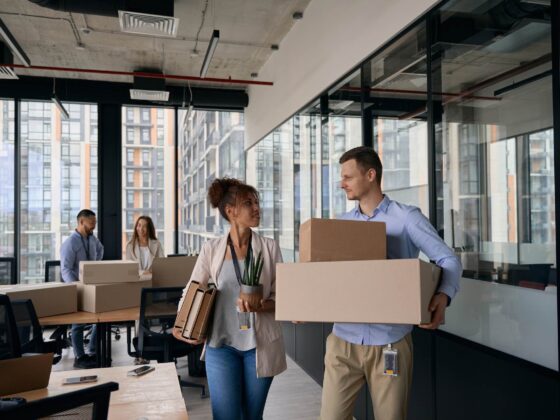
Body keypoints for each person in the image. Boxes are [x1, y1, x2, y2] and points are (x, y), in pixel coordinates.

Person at [320, 146, 462, 420]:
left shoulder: (407, 218)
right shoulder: (342, 223)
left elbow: (448, 260)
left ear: (371, 174)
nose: (342, 183)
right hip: (342, 342)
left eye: (348, 177)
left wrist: (443, 297)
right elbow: (328, 276)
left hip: (390, 341)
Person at [173, 178, 287, 420]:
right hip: (220, 345)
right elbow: (193, 288)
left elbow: (284, 297)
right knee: (226, 416)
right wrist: (180, 322)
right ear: (230, 211)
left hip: (259, 345)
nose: (257, 208)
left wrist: (260, 305)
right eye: (249, 203)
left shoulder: (269, 248)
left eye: (257, 202)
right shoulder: (211, 249)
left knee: (252, 416)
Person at [60, 209, 104, 369]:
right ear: (81, 222)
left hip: (91, 286)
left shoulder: (92, 239)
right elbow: (65, 269)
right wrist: (77, 286)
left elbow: (101, 250)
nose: (93, 226)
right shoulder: (70, 243)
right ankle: (80, 357)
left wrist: (95, 267)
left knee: (99, 320)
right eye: (91, 224)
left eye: (95, 223)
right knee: (78, 324)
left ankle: (92, 351)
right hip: (77, 288)